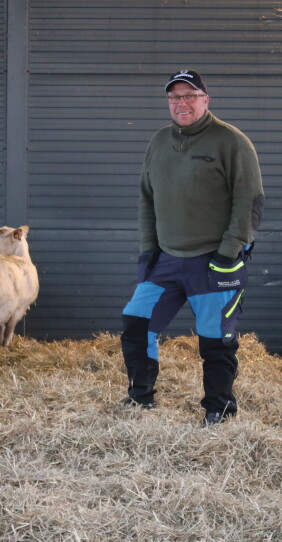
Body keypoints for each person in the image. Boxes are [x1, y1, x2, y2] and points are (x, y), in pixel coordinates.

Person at [120, 69, 264, 425]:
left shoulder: (231, 141)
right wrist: (147, 252)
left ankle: (219, 409)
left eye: (189, 96)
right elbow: (146, 200)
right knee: (136, 323)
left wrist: (229, 253)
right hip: (167, 259)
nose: (181, 103)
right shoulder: (158, 141)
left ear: (205, 100)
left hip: (213, 261)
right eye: (174, 97)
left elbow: (250, 202)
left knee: (215, 340)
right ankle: (141, 399)